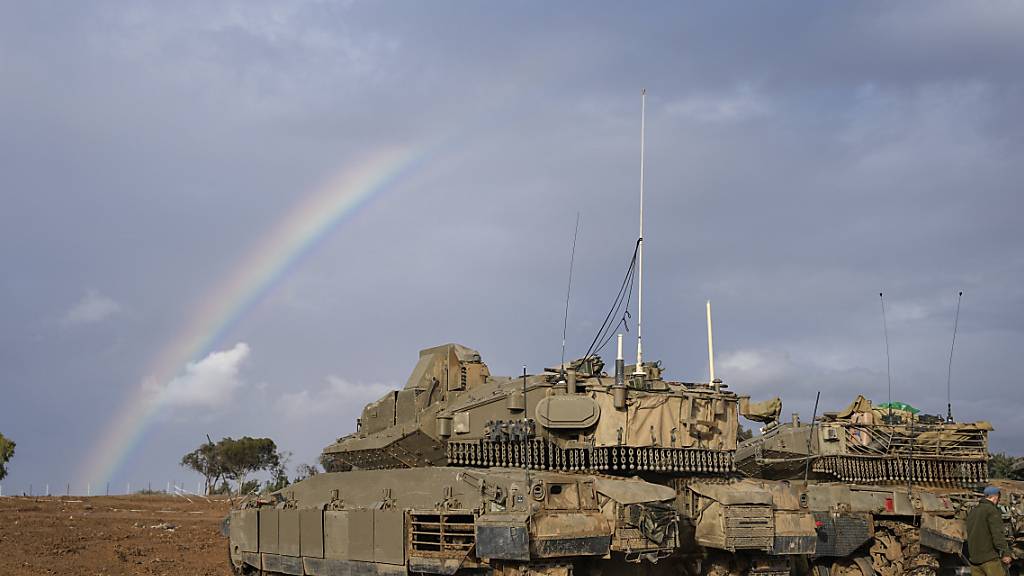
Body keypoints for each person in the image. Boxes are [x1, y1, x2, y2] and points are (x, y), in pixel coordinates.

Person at [967, 485, 1013, 576]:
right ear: (995, 497)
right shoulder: (992, 510)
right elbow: (997, 535)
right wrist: (1006, 553)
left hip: (974, 560)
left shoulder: (973, 511)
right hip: (989, 560)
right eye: (998, 497)